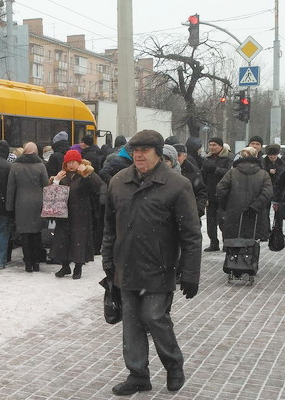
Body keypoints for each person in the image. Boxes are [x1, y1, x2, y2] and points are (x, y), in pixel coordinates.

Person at [102, 130, 201, 396]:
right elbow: (110, 227)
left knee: (154, 316)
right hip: (126, 265)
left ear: (158, 153)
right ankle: (138, 375)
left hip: (160, 266)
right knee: (131, 322)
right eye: (135, 151)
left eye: (144, 151)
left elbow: (191, 234)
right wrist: (108, 260)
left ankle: (174, 366)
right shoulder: (119, 182)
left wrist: (191, 273)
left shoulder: (177, 185)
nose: (138, 156)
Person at [49, 150, 102, 279]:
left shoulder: (83, 176)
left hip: (80, 214)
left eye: (73, 162)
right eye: (68, 162)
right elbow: (53, 196)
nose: (71, 165)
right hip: (64, 214)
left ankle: (78, 267)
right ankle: (65, 266)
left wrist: (87, 173)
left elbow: (97, 185)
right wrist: (55, 181)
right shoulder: (63, 176)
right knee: (62, 240)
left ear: (79, 162)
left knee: (79, 240)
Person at [6, 142, 48, 272]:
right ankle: (36, 263)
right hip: (37, 203)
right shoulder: (41, 166)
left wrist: (9, 206)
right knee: (36, 234)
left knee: (25, 235)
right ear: (35, 151)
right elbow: (46, 186)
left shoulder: (15, 166)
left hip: (21, 203)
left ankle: (28, 263)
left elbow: (11, 187)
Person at [216, 147, 272, 243]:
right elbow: (267, 193)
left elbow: (221, 189)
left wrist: (227, 204)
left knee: (235, 244)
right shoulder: (263, 174)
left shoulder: (232, 172)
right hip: (256, 216)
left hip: (234, 214)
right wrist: (255, 206)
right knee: (252, 245)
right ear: (256, 156)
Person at [201, 137, 234, 252]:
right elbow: (203, 176)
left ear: (221, 146)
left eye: (214, 145)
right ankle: (213, 243)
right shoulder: (207, 158)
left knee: (223, 220)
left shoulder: (229, 157)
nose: (212, 147)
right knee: (210, 221)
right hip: (210, 194)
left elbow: (230, 173)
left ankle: (227, 243)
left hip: (224, 194)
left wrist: (216, 169)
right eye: (210, 145)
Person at [173, 144, 207, 219]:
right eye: (174, 155)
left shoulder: (193, 171)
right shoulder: (165, 171)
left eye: (178, 155)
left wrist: (198, 210)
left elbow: (201, 192)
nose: (176, 158)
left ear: (185, 156)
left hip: (189, 215)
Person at [264, 144, 285, 229]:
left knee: (279, 213)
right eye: (270, 155)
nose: (272, 157)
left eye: (274, 155)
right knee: (265, 212)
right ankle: (266, 229)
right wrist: (268, 171)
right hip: (266, 190)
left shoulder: (282, 163)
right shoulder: (263, 162)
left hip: (278, 191)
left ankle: (277, 230)